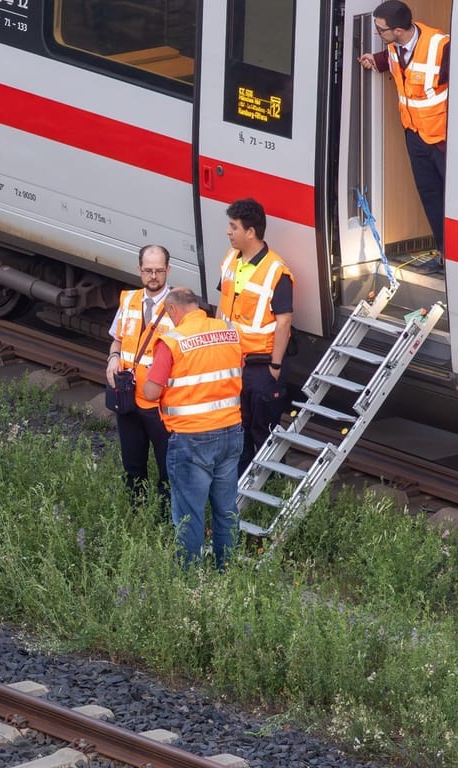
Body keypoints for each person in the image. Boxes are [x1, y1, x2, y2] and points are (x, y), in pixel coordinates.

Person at [143, 288, 243, 569]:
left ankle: (189, 580)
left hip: (192, 438)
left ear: (173, 310)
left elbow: (151, 393)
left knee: (189, 513)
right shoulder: (228, 330)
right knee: (226, 510)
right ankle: (227, 571)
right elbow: (236, 369)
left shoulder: (172, 341)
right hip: (230, 431)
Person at [358, 0, 449, 270]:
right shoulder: (395, 47)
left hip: (443, 139)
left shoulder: (441, 47)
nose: (377, 34)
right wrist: (375, 60)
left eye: (380, 30)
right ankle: (444, 252)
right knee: (430, 195)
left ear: (398, 30)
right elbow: (400, 63)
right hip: (416, 135)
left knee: (451, 200)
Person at [217, 198, 292, 474]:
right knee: (240, 428)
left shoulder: (276, 271)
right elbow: (223, 306)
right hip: (233, 364)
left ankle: (272, 488)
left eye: (233, 227)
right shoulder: (230, 259)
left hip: (260, 367)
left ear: (251, 232)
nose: (228, 232)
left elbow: (284, 323)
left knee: (265, 431)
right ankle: (244, 486)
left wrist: (275, 366)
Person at [105, 245, 174, 508]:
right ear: (139, 270)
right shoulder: (129, 301)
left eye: (159, 271)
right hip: (129, 397)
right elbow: (117, 340)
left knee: (167, 466)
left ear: (168, 270)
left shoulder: (177, 307)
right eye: (148, 270)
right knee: (132, 464)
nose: (153, 276)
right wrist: (113, 358)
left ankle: (167, 518)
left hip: (160, 403)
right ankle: (137, 512)